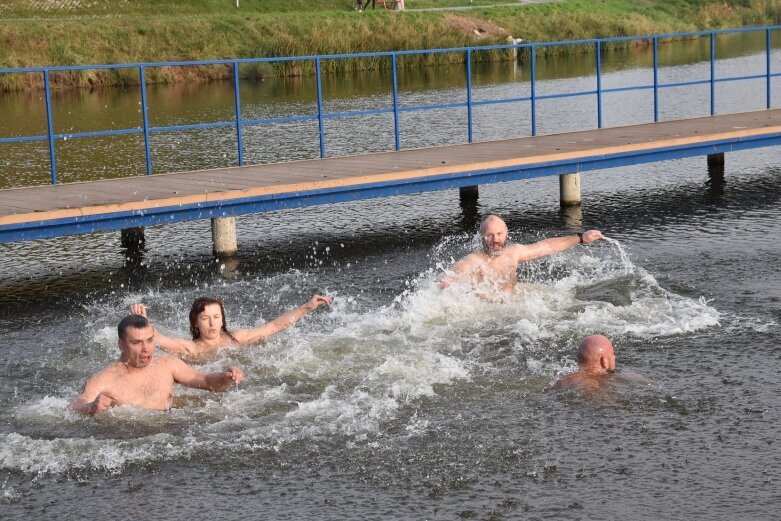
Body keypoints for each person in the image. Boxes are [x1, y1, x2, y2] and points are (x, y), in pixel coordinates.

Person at [71, 314, 244, 415]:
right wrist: (91, 407)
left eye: (150, 340)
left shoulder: (167, 365)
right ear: (121, 345)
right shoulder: (105, 379)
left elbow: (206, 381)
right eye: (137, 343)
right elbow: (74, 407)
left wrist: (226, 377)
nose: (146, 349)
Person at [130, 293, 332, 361]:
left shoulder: (236, 338)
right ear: (195, 322)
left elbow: (272, 327)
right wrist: (143, 322)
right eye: (206, 318)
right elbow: (158, 339)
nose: (212, 323)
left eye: (216, 317)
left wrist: (306, 307)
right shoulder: (191, 348)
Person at [438, 214, 604, 295]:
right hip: (488, 311)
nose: (495, 240)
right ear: (481, 238)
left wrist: (581, 238)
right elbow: (457, 271)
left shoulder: (513, 252)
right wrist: (448, 279)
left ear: (506, 233)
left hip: (514, 303)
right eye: (489, 235)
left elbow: (547, 246)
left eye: (499, 234)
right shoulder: (475, 260)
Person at [551, 334, 616, 390]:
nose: (614, 357)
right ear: (604, 361)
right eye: (612, 354)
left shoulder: (562, 380)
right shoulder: (593, 385)